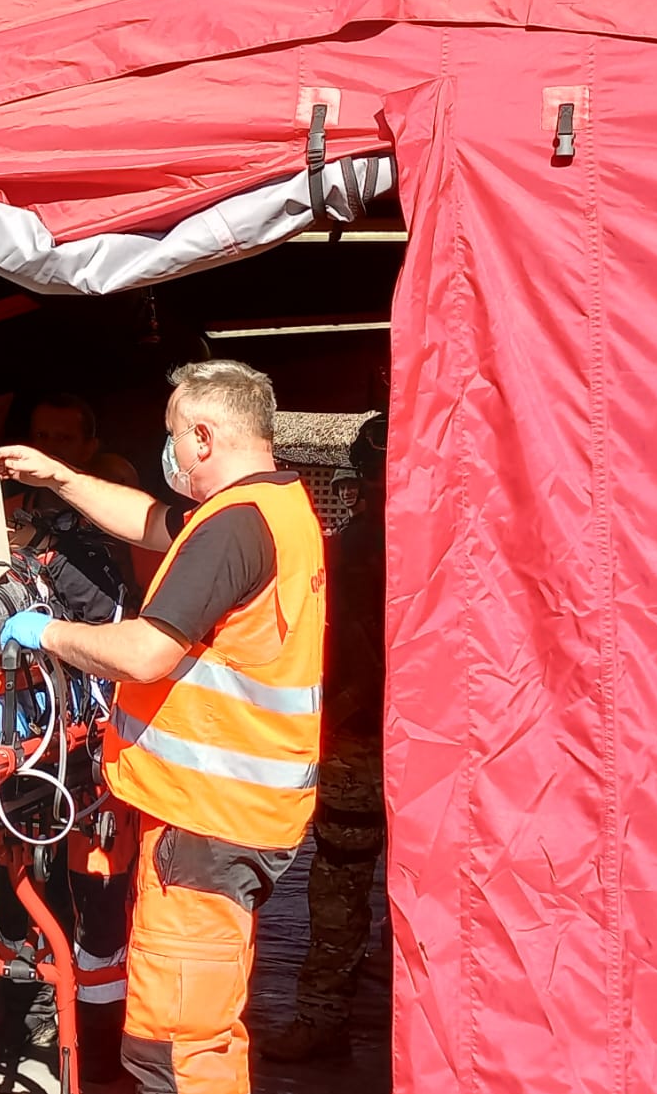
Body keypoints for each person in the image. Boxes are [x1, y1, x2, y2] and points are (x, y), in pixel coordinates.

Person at [0, 359, 325, 1094]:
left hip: (208, 821)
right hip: (240, 814)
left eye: (172, 435)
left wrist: (47, 633)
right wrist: (59, 477)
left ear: (202, 436)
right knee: (202, 1033)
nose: (167, 451)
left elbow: (145, 653)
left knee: (175, 1050)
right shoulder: (275, 506)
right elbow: (150, 520)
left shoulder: (233, 526)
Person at [264, 416, 388, 1062]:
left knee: (340, 879)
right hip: (419, 745)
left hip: (360, 742)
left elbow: (355, 660)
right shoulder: (462, 544)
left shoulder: (356, 549)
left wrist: (331, 721)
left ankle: (324, 1016)